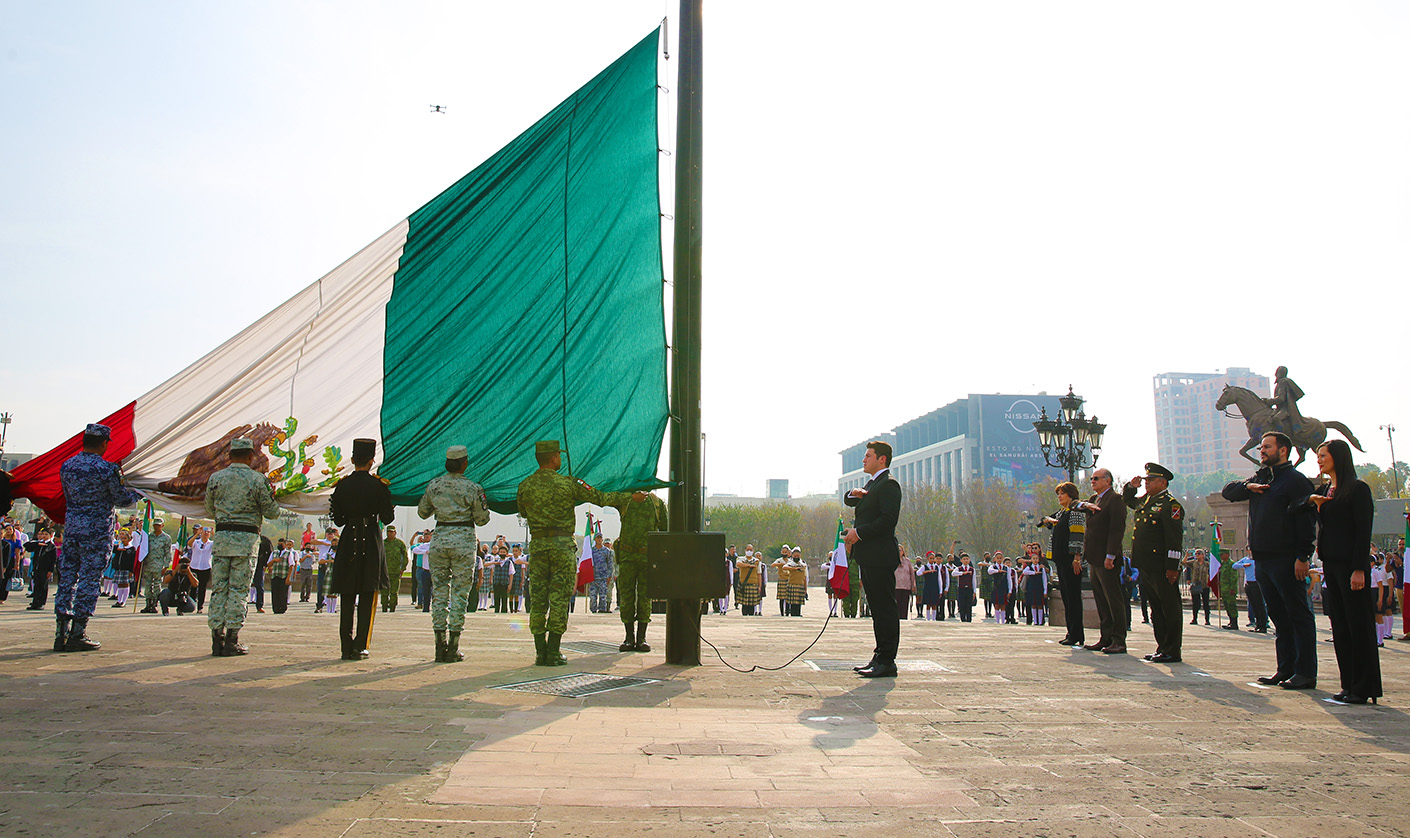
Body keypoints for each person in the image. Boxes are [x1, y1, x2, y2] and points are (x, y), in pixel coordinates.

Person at [516, 440, 640, 666]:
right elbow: (601, 498)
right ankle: (553, 651)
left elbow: (523, 511)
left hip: (539, 546)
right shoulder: (568, 484)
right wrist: (629, 497)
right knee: (560, 598)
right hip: (562, 546)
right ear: (554, 458)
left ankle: (540, 651)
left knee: (539, 599)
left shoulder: (525, 485)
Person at [1222, 432, 1317, 689]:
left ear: (1283, 450)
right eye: (1261, 447)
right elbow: (1228, 491)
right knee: (1278, 616)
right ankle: (1285, 669)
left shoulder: (1296, 482)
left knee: (1298, 615)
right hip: (1262, 559)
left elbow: (1307, 522)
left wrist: (1303, 556)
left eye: (1267, 447)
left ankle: (1305, 672)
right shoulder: (1260, 478)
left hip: (1286, 558)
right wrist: (1247, 487)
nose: (1261, 451)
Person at [53, 423, 144, 652]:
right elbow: (121, 499)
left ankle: (60, 632)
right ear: (104, 443)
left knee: (67, 579)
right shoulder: (106, 469)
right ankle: (78, 632)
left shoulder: (68, 466)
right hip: (96, 530)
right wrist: (140, 492)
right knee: (89, 579)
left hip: (72, 528)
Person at [1308, 439, 1380, 704]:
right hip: (1331, 566)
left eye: (1323, 455)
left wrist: (1360, 568)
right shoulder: (1326, 490)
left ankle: (1364, 686)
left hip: (1352, 567)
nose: (1319, 460)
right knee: (1340, 626)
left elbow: (1363, 532)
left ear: (1338, 457)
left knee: (1357, 626)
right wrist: (1317, 504)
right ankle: (1348, 683)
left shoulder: (1357, 490)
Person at [204, 437, 281, 656]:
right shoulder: (257, 480)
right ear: (250, 456)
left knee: (219, 589)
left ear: (229, 456)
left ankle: (216, 639)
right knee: (238, 590)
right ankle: (232, 640)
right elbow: (272, 512)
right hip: (246, 542)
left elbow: (209, 508)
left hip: (221, 539)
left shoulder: (216, 478)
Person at [417, 445, 491, 663]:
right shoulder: (473, 488)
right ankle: (454, 646)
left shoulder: (434, 485)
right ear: (464, 463)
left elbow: (422, 513)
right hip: (463, 540)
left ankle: (439, 645)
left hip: (439, 539)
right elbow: (482, 519)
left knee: (439, 590)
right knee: (460, 592)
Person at [327, 438, 394, 660]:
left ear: (353, 459)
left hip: (349, 538)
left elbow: (338, 520)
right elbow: (387, 517)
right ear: (372, 461)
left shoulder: (343, 485)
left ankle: (345, 645)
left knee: (347, 593)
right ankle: (360, 645)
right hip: (371, 539)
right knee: (368, 593)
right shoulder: (379, 486)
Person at [843, 440, 903, 679]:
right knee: (877, 610)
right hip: (869, 556)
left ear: (882, 459)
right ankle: (879, 656)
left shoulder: (888, 485)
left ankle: (887, 660)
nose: (863, 459)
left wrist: (859, 533)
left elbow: (888, 521)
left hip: (879, 555)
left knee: (885, 609)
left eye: (868, 455)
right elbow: (851, 500)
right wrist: (853, 493)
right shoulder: (872, 484)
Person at [1124, 463, 1185, 663]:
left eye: (1150, 480)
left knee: (1169, 607)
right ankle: (1162, 646)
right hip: (1145, 564)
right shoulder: (1146, 501)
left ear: (1163, 482)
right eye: (1146, 480)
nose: (1147, 483)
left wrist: (1172, 567)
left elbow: (1174, 539)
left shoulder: (1170, 505)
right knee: (1156, 608)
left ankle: (1173, 649)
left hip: (1161, 565)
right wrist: (1131, 487)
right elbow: (1128, 500)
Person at [605, 491, 667, 651]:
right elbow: (607, 498)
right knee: (626, 596)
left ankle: (641, 637)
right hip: (627, 558)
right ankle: (628, 637)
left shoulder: (657, 503)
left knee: (645, 597)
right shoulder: (625, 500)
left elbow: (665, 531)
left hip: (647, 557)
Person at [1079, 469, 1128, 654]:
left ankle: (1119, 639)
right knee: (1101, 600)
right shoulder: (1093, 500)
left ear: (1107, 481)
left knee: (1113, 599)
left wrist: (1111, 555)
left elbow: (1117, 529)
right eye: (1092, 479)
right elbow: (1076, 505)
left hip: (1107, 559)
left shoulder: (1115, 499)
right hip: (1094, 557)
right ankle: (1105, 637)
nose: (1092, 481)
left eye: (1096, 479)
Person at [1041, 481, 1086, 645]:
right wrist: (1047, 521)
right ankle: (1070, 632)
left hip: (1070, 560)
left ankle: (1077, 634)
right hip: (1060, 559)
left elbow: (1077, 536)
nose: (1059, 497)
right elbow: (1048, 521)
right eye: (1058, 494)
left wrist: (1077, 557)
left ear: (1071, 495)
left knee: (1073, 597)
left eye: (1062, 493)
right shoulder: (1061, 513)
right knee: (1066, 597)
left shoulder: (1075, 512)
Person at [139, 518, 174, 614]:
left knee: (157, 586)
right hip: (148, 565)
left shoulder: (166, 538)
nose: (156, 527)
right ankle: (148, 604)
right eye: (155, 525)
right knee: (147, 585)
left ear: (162, 526)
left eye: (158, 525)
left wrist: (166, 566)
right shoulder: (149, 537)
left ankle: (154, 604)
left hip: (159, 565)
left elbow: (168, 553)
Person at [25, 527, 58, 611]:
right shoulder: (38, 544)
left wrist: (50, 571)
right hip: (37, 568)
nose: (44, 536)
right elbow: (26, 546)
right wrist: (37, 544)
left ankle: (41, 603)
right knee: (36, 585)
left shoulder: (51, 546)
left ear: (50, 535)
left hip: (45, 569)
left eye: (46, 534)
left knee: (43, 586)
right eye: (42, 534)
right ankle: (35, 602)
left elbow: (52, 560)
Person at [381, 524, 408, 613]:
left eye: (392, 532)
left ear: (395, 533)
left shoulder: (399, 543)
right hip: (384, 571)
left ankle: (393, 607)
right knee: (384, 591)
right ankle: (384, 606)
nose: (390, 534)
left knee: (394, 591)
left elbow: (405, 556)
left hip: (396, 571)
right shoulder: (383, 543)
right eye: (388, 532)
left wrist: (402, 568)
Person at [1182, 549, 1212, 626]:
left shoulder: (1207, 564)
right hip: (1196, 585)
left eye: (1199, 553)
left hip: (1205, 585)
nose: (1197, 555)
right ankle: (1194, 618)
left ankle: (1207, 620)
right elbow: (1183, 563)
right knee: (1196, 603)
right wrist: (1187, 555)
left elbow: (1213, 571)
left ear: (1203, 555)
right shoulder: (1193, 563)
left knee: (1206, 603)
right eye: (1196, 553)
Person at [109, 528, 137, 608]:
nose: (123, 540)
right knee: (120, 584)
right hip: (119, 569)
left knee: (125, 584)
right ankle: (119, 600)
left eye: (125, 539)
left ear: (129, 539)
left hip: (126, 570)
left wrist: (131, 571)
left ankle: (124, 601)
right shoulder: (119, 547)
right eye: (122, 538)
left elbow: (132, 561)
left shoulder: (131, 549)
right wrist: (117, 549)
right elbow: (112, 550)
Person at [188, 527, 214, 612]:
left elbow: (219, 544)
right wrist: (197, 534)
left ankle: (200, 607)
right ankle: (191, 605)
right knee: (193, 587)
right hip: (194, 567)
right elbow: (189, 544)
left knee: (202, 588)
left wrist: (214, 534)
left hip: (205, 567)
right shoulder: (196, 542)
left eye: (208, 532)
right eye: (204, 532)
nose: (206, 534)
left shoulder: (211, 544)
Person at [588, 533, 614, 613]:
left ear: (602, 539)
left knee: (603, 596)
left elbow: (610, 564)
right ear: (595, 539)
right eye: (597, 538)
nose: (599, 539)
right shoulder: (591, 551)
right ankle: (593, 609)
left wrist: (609, 576)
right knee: (592, 596)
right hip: (593, 577)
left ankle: (602, 610)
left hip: (603, 577)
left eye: (600, 538)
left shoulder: (606, 551)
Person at [268, 538, 294, 614]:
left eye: (281, 544)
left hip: (283, 576)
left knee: (283, 593)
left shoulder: (289, 553)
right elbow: (268, 564)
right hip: (275, 576)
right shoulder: (274, 553)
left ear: (285, 545)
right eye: (279, 544)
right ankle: (275, 608)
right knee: (275, 593)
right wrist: (273, 560)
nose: (279, 545)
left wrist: (288, 578)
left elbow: (291, 566)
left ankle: (282, 608)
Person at [735, 550, 762, 617]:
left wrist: (759, 586)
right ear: (745, 551)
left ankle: (751, 617)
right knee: (744, 604)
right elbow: (738, 564)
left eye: (750, 550)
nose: (749, 551)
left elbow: (759, 574)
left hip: (753, 584)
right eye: (747, 550)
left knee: (752, 604)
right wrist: (749, 566)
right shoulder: (741, 559)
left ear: (753, 551)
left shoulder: (757, 561)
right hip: (744, 584)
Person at [893, 545, 915, 620]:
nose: (899, 552)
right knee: (897, 604)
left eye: (901, 550)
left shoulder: (907, 561)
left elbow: (912, 574)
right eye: (898, 550)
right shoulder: (892, 560)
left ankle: (904, 618)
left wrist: (913, 584)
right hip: (896, 586)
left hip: (906, 586)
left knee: (904, 604)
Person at [953, 553, 976, 622]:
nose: (965, 560)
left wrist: (974, 591)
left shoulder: (972, 569)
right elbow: (953, 573)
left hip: (969, 589)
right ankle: (963, 619)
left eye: (967, 559)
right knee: (962, 604)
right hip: (961, 588)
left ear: (969, 560)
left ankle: (969, 619)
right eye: (964, 559)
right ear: (961, 560)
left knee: (969, 604)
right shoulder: (959, 568)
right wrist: (962, 573)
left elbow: (974, 581)